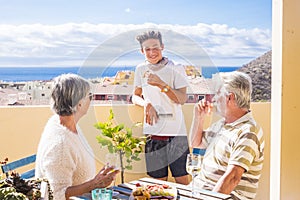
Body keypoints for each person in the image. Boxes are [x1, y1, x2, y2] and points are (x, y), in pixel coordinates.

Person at [35, 74, 119, 200]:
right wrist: (93, 184)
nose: (91, 100)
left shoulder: (62, 124)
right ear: (79, 104)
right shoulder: (60, 144)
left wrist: (97, 182)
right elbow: (56, 194)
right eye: (89, 96)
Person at [189, 71, 264, 200]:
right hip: (201, 191)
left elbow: (232, 179)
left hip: (223, 196)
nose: (213, 99)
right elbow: (196, 143)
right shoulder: (222, 124)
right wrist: (198, 118)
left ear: (230, 97)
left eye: (217, 94)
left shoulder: (248, 132)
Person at [132, 30, 189, 185]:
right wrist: (146, 104)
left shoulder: (176, 67)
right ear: (142, 51)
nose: (152, 52)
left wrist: (162, 85)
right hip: (152, 133)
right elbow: (134, 96)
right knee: (157, 185)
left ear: (162, 46)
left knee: (182, 181)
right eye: (147, 49)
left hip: (177, 135)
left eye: (155, 47)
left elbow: (182, 99)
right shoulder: (140, 69)